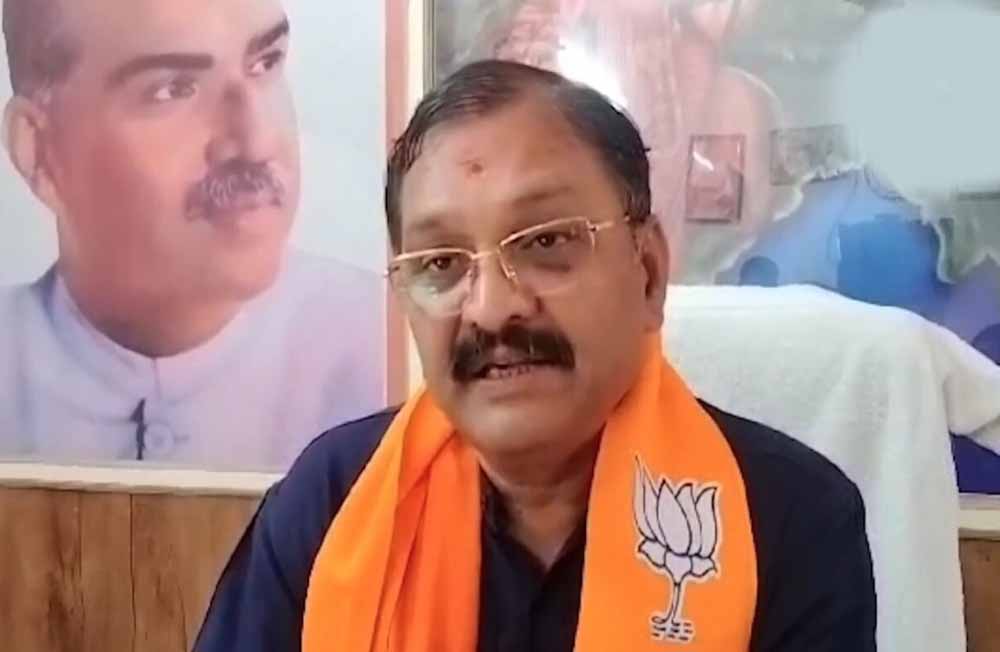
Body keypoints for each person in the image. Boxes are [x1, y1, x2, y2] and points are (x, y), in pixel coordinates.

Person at [196, 61, 876, 650]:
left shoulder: (791, 520)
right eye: (440, 263)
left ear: (647, 274)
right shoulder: (332, 501)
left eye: (545, 243)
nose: (492, 309)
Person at [0, 0, 384, 469]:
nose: (256, 142)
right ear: (39, 151)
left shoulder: (386, 348)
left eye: (265, 63)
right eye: (173, 89)